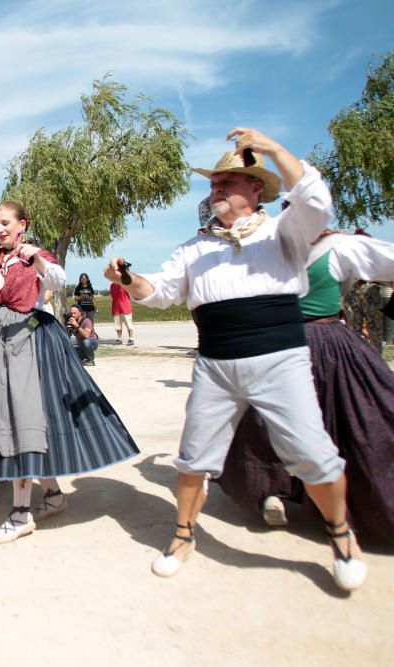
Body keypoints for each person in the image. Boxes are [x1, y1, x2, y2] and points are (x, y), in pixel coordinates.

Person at [106, 128, 368, 592]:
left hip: (279, 360)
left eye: (228, 182)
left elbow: (315, 200)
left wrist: (272, 150)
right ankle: (183, 537)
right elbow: (161, 294)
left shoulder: (285, 232)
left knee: (313, 455)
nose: (217, 189)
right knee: (193, 458)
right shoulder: (194, 247)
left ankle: (341, 535)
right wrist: (129, 279)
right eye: (213, 183)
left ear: (256, 189)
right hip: (215, 365)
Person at [0, 201, 139, 543]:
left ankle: (20, 512)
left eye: (6, 223)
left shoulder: (36, 256)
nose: (0, 229)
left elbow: (56, 281)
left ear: (22, 225)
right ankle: (54, 496)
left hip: (32, 340)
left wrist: (37, 259)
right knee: (21, 419)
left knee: (22, 418)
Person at [218, 231, 394, 544]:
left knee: (265, 419)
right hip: (327, 342)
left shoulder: (266, 250)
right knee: (349, 414)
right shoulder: (342, 247)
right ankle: (313, 498)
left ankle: (272, 491)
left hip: (279, 343)